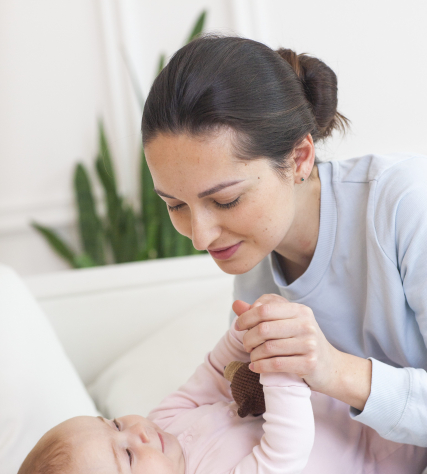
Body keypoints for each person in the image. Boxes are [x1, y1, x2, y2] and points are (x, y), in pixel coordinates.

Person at [142, 35, 427, 447]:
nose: (201, 237)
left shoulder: (405, 203)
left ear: (299, 158)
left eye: (226, 200)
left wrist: (334, 370)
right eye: (175, 205)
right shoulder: (253, 256)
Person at [13, 319, 427, 474]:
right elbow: (286, 451)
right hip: (390, 448)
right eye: (128, 457)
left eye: (115, 423)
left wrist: (241, 335)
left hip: (357, 392)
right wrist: (280, 368)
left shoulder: (163, 426)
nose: (137, 434)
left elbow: (211, 377)